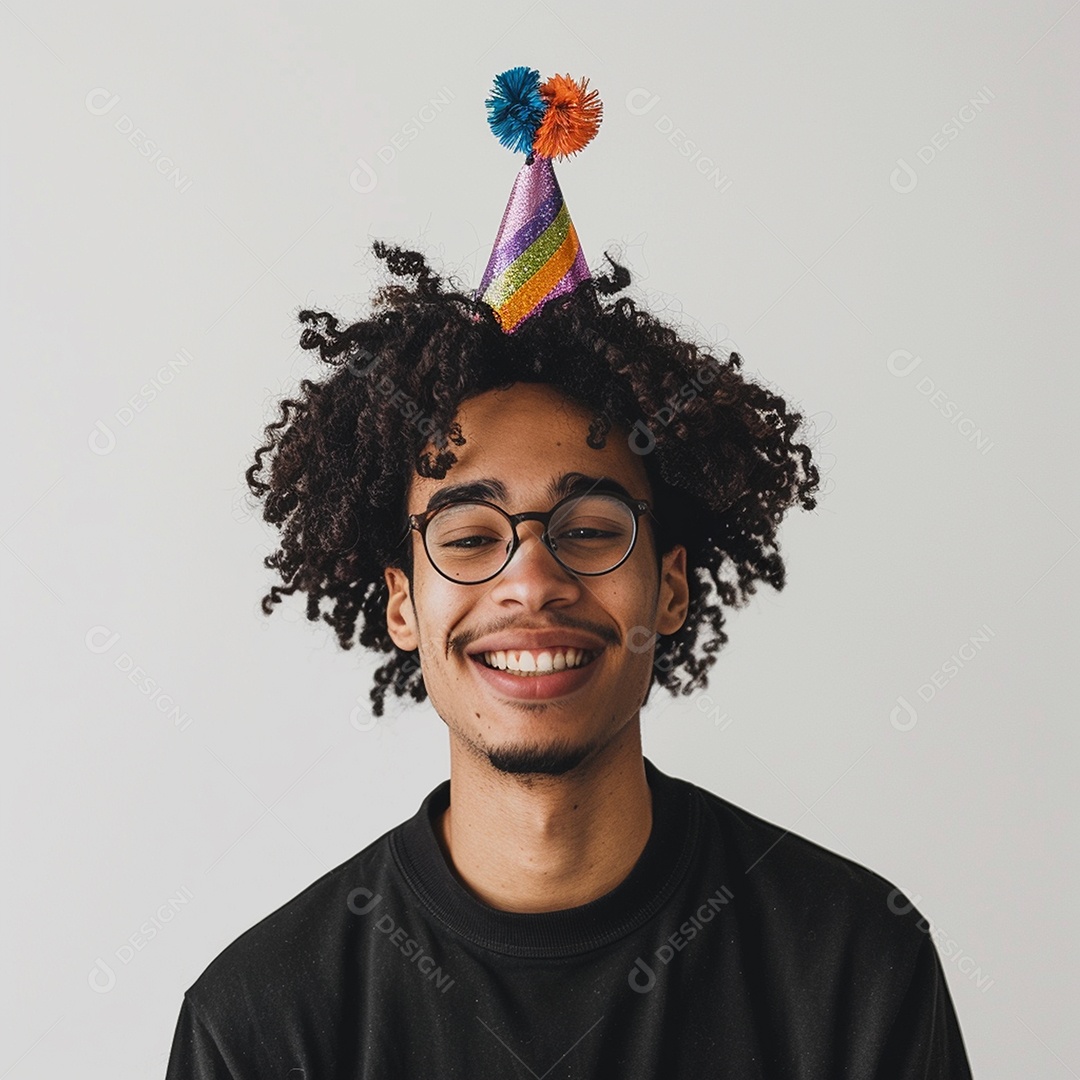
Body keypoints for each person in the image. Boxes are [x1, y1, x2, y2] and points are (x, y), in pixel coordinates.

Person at [165, 66, 973, 1077]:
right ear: (402, 602)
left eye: (590, 529)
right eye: (468, 538)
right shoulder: (267, 1023)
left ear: (671, 585)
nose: (532, 580)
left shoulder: (854, 969)